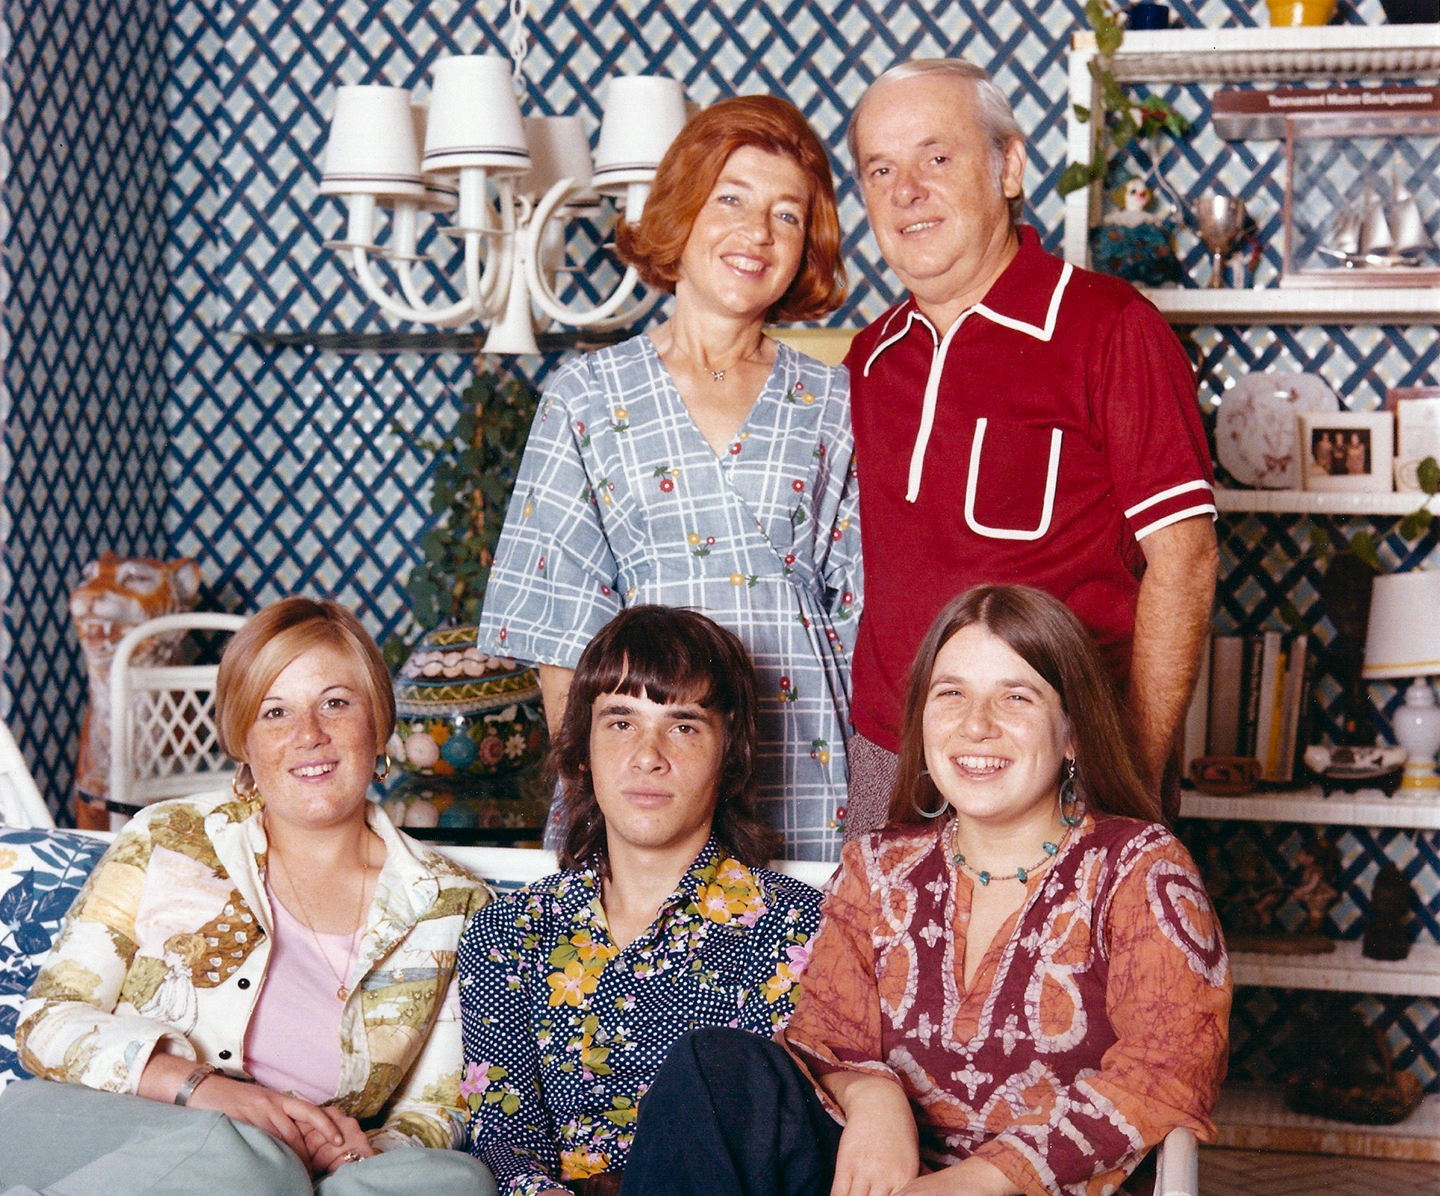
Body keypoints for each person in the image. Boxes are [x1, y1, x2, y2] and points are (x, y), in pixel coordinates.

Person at [617, 585, 1231, 1196]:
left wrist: (978, 1183)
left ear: (1072, 732)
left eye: (1015, 697)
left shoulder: (1138, 868)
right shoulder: (878, 867)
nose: (976, 725)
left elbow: (1168, 1070)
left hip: (1044, 1188)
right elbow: (823, 1037)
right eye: (951, 695)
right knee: (713, 1067)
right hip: (884, 1179)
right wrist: (872, 1095)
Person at [0, 598, 496, 1196]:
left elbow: (437, 1107)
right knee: (236, 1154)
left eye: (336, 704)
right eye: (275, 712)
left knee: (455, 1181)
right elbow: (46, 1021)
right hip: (83, 1136)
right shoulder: (168, 837)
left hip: (294, 1175)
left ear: (379, 723)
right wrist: (206, 1090)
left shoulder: (452, 902)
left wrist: (356, 1151)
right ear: (242, 738)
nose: (308, 735)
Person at [838, 59, 1218, 836]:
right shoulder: (869, 359)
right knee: (887, 961)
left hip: (1065, 759)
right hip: (892, 758)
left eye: (936, 158)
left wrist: (1130, 781)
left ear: (1008, 166)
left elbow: (1186, 558)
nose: (906, 190)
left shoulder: (1110, 328)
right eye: (881, 169)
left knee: (1068, 963)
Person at [478, 95, 861, 861]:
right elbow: (562, 637)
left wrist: (876, 811)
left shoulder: (838, 403)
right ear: (683, 209)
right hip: (641, 765)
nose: (757, 233)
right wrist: (599, 798)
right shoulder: (585, 398)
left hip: (805, 761)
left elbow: (865, 625)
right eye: (731, 199)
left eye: (788, 216)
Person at [458, 606, 825, 1196]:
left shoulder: (802, 929)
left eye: (683, 726)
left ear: (730, 758)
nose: (648, 755)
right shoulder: (507, 932)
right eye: (621, 722)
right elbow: (505, 1139)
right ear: (583, 752)